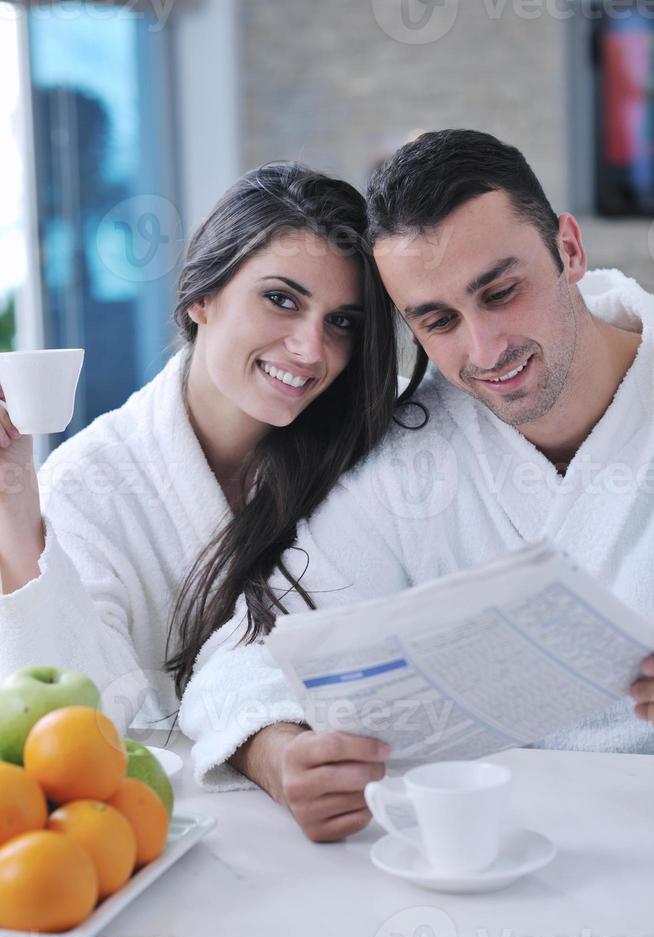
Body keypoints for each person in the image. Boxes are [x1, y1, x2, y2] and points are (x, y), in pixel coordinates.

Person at [179, 130, 654, 842]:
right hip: (476, 855)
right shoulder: (414, 453)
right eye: (437, 320)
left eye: (501, 291)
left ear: (570, 249)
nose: (485, 350)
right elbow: (247, 648)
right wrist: (277, 754)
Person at [0, 163, 399, 777]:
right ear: (202, 296)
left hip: (352, 789)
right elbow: (75, 718)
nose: (311, 349)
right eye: (281, 300)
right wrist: (16, 507)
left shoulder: (369, 441)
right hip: (174, 824)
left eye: (341, 322)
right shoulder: (90, 483)